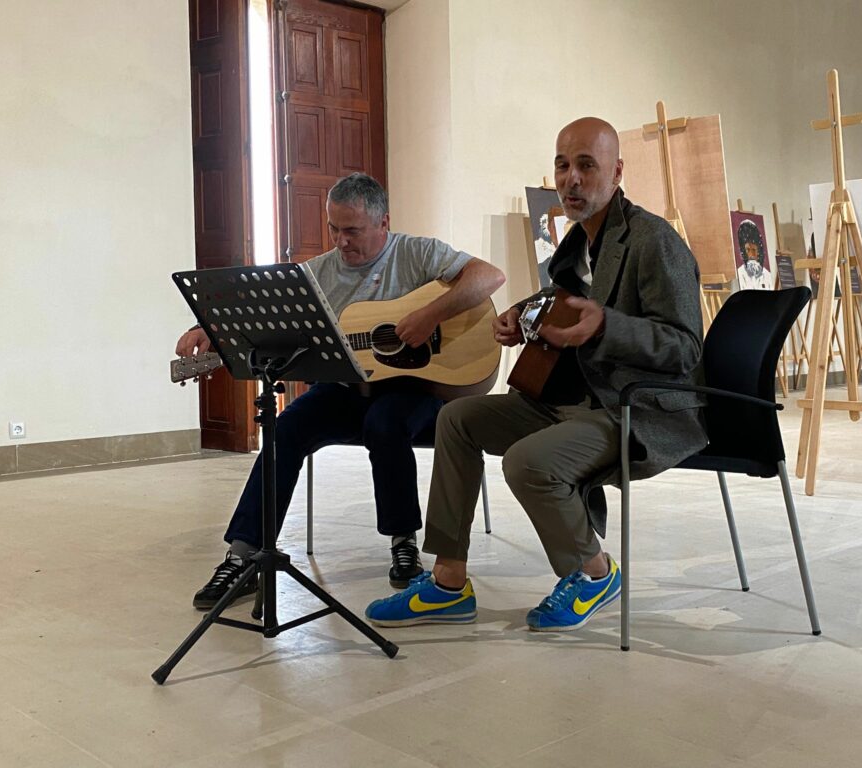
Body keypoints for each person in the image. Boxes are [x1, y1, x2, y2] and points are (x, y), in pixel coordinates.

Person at [365, 117, 707, 632]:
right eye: (562, 165)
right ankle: (448, 583)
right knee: (456, 420)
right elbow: (560, 298)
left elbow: (685, 348)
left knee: (528, 461)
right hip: (567, 397)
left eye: (586, 165)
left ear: (617, 172)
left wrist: (607, 327)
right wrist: (521, 315)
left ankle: (595, 575)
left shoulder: (653, 240)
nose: (571, 179)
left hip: (630, 405)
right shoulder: (577, 242)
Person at [178, 172, 504, 609]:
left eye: (352, 230)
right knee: (285, 428)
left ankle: (403, 542)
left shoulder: (417, 253)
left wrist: (430, 315)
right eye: (333, 228)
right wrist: (210, 331)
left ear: (383, 222)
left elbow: (489, 277)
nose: (341, 241)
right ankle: (244, 556)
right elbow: (267, 320)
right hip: (348, 390)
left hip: (418, 389)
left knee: (385, 422)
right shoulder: (318, 273)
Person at [735, 219, 773, 290]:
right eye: (748, 250)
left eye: (754, 250)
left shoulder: (767, 276)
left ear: (759, 251)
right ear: (744, 251)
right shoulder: (739, 274)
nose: (751, 254)